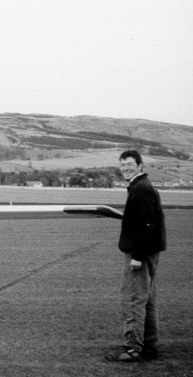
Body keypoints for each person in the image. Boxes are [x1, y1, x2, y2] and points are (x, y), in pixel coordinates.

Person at [110, 150, 166, 362]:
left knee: (133, 299)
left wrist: (138, 256)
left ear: (140, 166)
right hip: (149, 252)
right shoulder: (143, 186)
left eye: (130, 164)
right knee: (147, 299)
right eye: (122, 164)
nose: (125, 168)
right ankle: (149, 345)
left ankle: (133, 348)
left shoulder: (140, 189)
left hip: (141, 253)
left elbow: (147, 226)